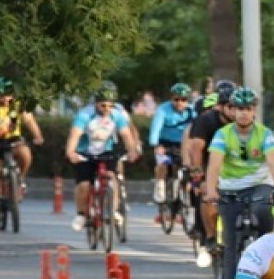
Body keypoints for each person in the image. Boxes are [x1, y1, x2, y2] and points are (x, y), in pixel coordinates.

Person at [204, 87, 274, 279]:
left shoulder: (265, 134)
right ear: (232, 110)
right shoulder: (223, 134)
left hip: (260, 186)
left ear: (254, 111)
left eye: (248, 109)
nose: (243, 114)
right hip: (230, 188)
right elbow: (214, 165)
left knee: (264, 219)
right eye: (239, 109)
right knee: (230, 241)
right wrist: (211, 189)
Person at [64, 85, 140, 232]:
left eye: (110, 105)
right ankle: (81, 214)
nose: (106, 108)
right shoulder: (84, 115)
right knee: (84, 185)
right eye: (103, 105)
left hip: (106, 152)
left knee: (112, 177)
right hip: (84, 153)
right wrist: (71, 152)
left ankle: (114, 210)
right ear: (96, 103)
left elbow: (126, 135)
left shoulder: (117, 115)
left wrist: (132, 151)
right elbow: (75, 135)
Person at [186, 79, 237, 265]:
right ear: (220, 107)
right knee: (207, 194)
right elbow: (196, 148)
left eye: (237, 107)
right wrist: (198, 175)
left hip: (235, 167)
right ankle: (210, 236)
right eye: (230, 107)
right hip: (210, 164)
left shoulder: (244, 121)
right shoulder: (206, 120)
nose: (235, 111)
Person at [0, 77, 45, 219]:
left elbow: (29, 120)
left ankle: (20, 179)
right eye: (2, 95)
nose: (5, 99)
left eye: (8, 95)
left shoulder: (18, 105)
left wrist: (38, 136)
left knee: (25, 152)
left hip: (13, 140)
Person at [149, 83, 197, 214]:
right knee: (162, 163)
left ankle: (186, 193)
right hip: (165, 143)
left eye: (183, 100)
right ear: (171, 99)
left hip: (184, 144)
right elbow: (156, 128)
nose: (180, 103)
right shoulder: (163, 110)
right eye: (176, 99)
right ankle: (160, 185)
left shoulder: (192, 111)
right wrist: (156, 145)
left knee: (192, 166)